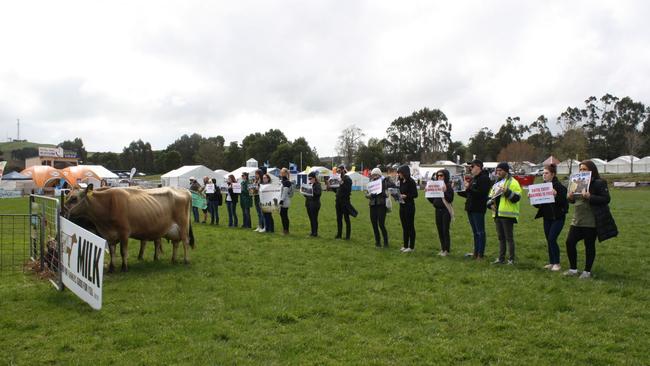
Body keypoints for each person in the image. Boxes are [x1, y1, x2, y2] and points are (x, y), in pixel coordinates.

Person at [564, 160, 618, 279]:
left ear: (592, 170)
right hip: (577, 219)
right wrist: (569, 197)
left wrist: (590, 197)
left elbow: (606, 199)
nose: (582, 171)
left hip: (591, 220)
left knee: (589, 245)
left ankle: (587, 272)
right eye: (581, 169)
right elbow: (573, 200)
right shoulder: (575, 181)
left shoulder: (599, 183)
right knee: (569, 242)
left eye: (585, 169)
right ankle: (573, 269)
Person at [533, 164, 568, 271]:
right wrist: (533, 199)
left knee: (552, 239)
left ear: (553, 174)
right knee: (549, 240)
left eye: (546, 173)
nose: (544, 175)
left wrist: (556, 196)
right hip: (547, 218)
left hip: (558, 218)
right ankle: (551, 262)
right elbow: (539, 205)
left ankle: (557, 263)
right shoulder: (542, 187)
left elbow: (564, 203)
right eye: (543, 173)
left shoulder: (559, 187)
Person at [487, 162, 522, 265]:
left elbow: (517, 198)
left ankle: (511, 259)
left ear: (506, 171)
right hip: (497, 214)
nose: (498, 172)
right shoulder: (496, 183)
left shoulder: (513, 182)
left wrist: (507, 191)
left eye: (500, 170)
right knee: (501, 238)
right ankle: (501, 259)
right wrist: (489, 204)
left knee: (509, 238)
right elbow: (490, 197)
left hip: (507, 214)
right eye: (497, 170)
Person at [457, 159, 491, 259]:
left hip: (478, 208)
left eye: (472, 166)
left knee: (480, 232)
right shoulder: (474, 178)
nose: (470, 168)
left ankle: (480, 254)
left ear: (478, 167)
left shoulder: (484, 178)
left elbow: (482, 194)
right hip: (470, 208)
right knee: (475, 232)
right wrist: (459, 190)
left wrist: (469, 188)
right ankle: (475, 252)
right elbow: (469, 194)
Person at [427, 169, 454, 256]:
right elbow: (433, 200)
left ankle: (447, 250)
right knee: (439, 230)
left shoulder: (448, 186)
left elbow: (450, 199)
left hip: (446, 210)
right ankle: (442, 248)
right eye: (438, 175)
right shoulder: (436, 185)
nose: (439, 177)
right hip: (437, 210)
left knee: (445, 230)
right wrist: (428, 193)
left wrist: (445, 191)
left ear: (445, 176)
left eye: (441, 175)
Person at [366, 167, 389, 248]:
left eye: (376, 175)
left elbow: (386, 193)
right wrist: (369, 195)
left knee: (381, 224)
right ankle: (377, 242)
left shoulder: (384, 182)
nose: (374, 176)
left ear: (379, 175)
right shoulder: (370, 183)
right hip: (372, 205)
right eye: (373, 175)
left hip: (381, 205)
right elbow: (366, 194)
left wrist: (378, 192)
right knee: (374, 224)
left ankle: (386, 242)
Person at [397, 165, 418, 252]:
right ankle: (405, 245)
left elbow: (415, 194)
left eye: (400, 172)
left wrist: (406, 196)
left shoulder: (411, 181)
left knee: (410, 226)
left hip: (409, 206)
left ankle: (411, 247)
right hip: (402, 205)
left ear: (404, 173)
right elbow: (400, 192)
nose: (399, 174)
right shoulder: (401, 181)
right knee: (404, 226)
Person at [335, 165, 353, 240]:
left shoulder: (348, 178)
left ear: (343, 170)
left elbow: (348, 190)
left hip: (345, 201)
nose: (338, 172)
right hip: (338, 201)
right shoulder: (338, 178)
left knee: (346, 218)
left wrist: (342, 183)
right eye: (337, 171)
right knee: (339, 218)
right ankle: (339, 234)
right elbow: (337, 190)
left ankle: (348, 236)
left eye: (339, 171)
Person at [304, 171, 322, 237]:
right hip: (308, 204)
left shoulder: (318, 185)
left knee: (314, 218)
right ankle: (312, 232)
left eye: (310, 178)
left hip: (315, 204)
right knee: (311, 219)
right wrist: (304, 192)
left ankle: (315, 233)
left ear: (314, 178)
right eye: (309, 178)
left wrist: (310, 191)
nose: (309, 180)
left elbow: (318, 194)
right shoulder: (309, 184)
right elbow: (307, 195)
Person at [279, 168, 293, 234]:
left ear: (284, 173)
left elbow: (285, 192)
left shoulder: (286, 182)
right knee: (283, 215)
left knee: (284, 215)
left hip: (285, 201)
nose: (280, 173)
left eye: (281, 172)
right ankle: (285, 229)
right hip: (285, 200)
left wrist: (281, 200)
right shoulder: (284, 181)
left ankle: (286, 230)